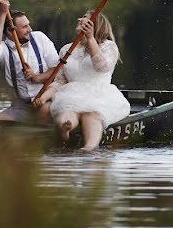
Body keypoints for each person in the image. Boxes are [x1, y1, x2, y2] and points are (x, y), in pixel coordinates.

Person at [33, 11, 129, 150]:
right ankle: (66, 128)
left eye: (85, 18)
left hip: (99, 95)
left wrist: (90, 39)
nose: (79, 19)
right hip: (72, 94)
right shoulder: (67, 49)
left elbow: (102, 67)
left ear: (95, 25)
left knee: (92, 115)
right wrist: (44, 97)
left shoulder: (109, 46)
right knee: (66, 111)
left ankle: (88, 147)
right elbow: (60, 81)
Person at [0, 0, 60, 122]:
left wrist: (37, 78)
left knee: (44, 112)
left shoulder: (39, 38)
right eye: (25, 27)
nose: (30, 30)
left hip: (47, 99)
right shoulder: (3, 49)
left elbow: (57, 70)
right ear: (11, 31)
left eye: (28, 25)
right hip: (21, 106)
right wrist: (2, 13)